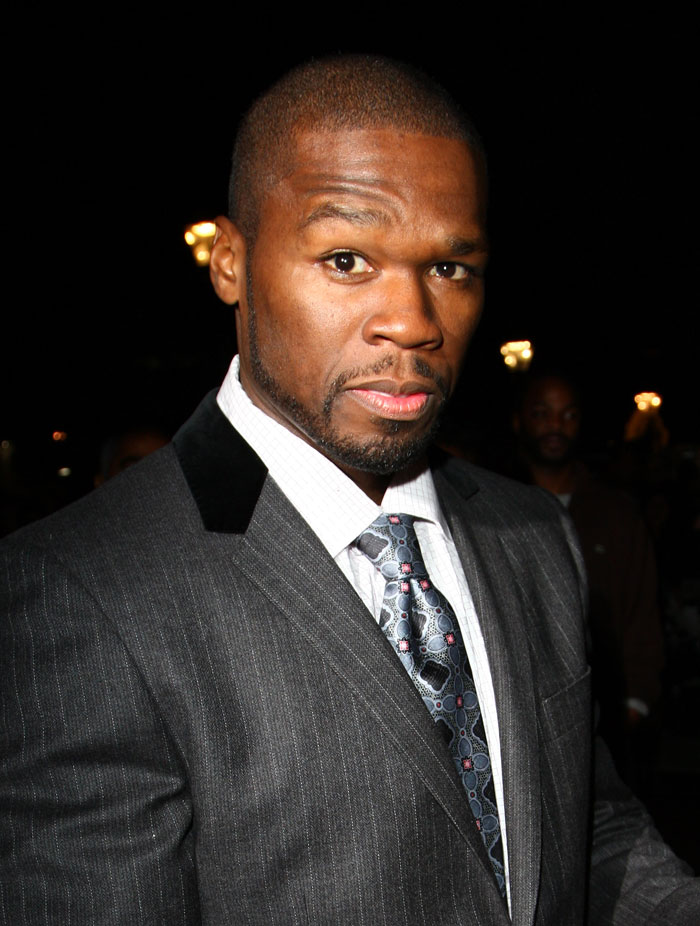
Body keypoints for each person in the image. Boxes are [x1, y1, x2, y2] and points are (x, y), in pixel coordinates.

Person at [1, 56, 697, 925]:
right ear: (230, 263)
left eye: (449, 267)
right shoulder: (78, 591)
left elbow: (589, 830)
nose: (411, 317)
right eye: (345, 258)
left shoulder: (529, 535)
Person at [512, 373, 665, 774]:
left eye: (568, 415)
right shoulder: (491, 510)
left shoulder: (615, 513)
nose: (555, 426)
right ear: (520, 420)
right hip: (520, 717)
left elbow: (642, 607)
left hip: (606, 717)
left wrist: (636, 703)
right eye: (542, 414)